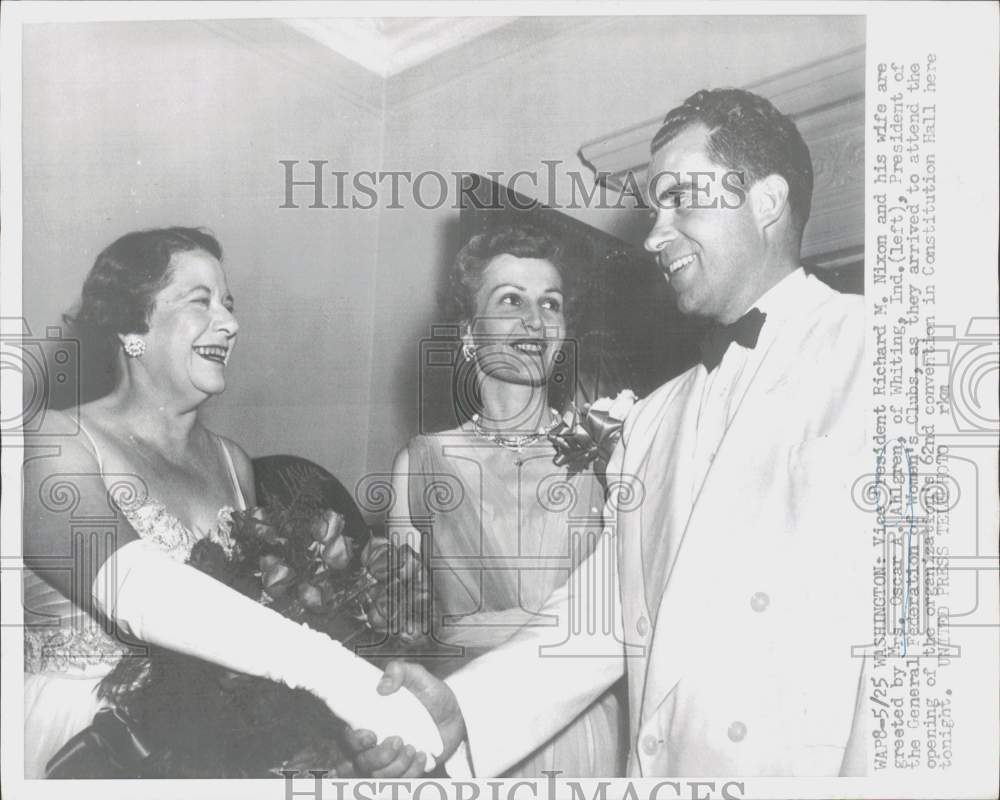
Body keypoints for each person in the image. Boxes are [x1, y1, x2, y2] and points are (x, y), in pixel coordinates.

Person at [350, 88, 871, 778]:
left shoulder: (885, 353)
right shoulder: (654, 417)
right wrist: (461, 709)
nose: (654, 236)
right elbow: (599, 617)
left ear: (768, 201)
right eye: (654, 208)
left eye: (681, 199)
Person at [22, 227, 441, 778]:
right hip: (87, 739)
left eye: (230, 304)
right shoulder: (51, 443)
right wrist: (341, 679)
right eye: (201, 301)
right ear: (131, 324)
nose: (230, 322)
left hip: (217, 741)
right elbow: (136, 589)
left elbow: (263, 625)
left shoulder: (233, 463)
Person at [385, 225, 624, 777]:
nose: (535, 321)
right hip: (466, 728)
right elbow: (400, 629)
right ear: (469, 332)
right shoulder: (421, 463)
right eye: (511, 300)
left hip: (583, 723)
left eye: (551, 304)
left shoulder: (608, 454)